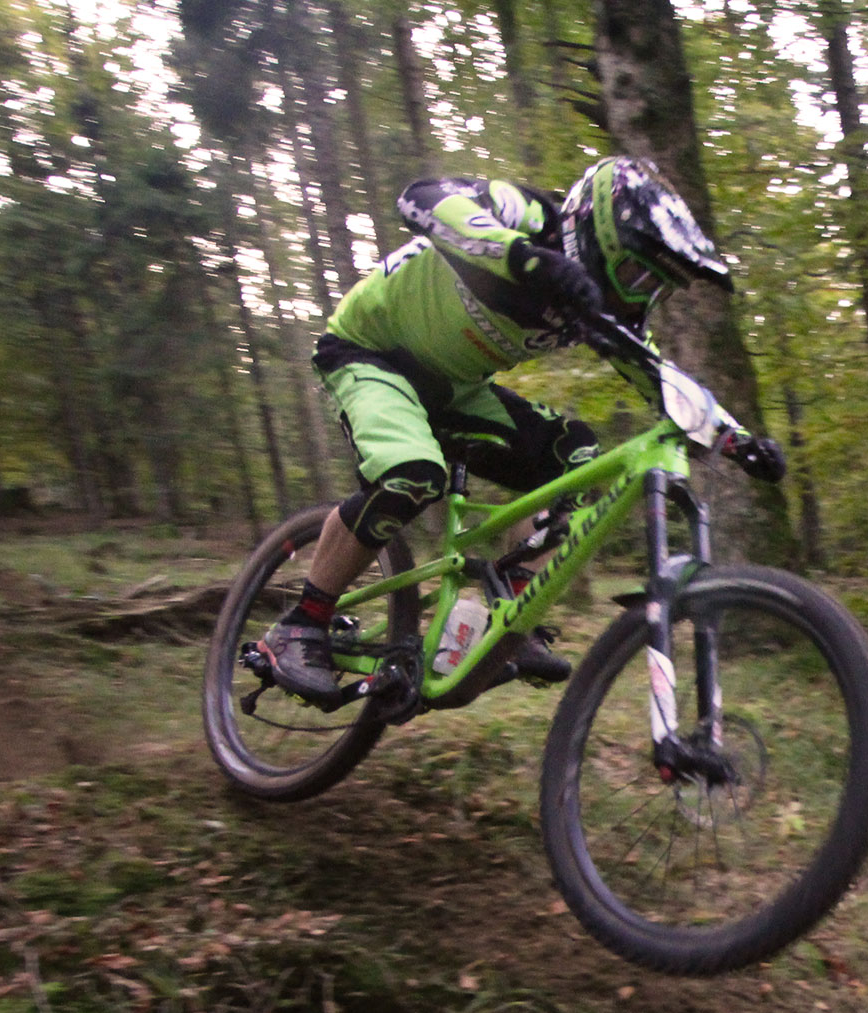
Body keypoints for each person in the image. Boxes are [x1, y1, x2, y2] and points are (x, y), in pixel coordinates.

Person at [258, 156, 785, 706]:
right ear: (600, 234)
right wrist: (527, 259)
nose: (640, 297)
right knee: (411, 474)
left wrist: (734, 438)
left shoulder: (598, 307)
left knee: (576, 456)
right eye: (637, 275)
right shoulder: (530, 215)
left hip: (455, 388)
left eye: (657, 288)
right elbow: (422, 196)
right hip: (370, 354)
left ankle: (507, 618)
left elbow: (659, 380)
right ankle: (302, 623)